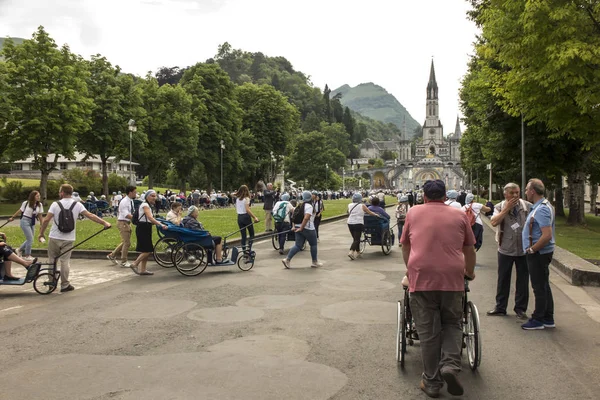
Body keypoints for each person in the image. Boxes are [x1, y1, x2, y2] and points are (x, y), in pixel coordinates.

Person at [400, 179, 476, 398]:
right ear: (445, 197)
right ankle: (450, 366)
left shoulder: (413, 213)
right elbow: (469, 249)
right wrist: (469, 272)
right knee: (452, 323)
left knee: (428, 332)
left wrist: (410, 269)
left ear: (424, 196)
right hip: (451, 278)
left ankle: (432, 382)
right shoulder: (460, 214)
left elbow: (406, 245)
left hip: (421, 277)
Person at [38, 184, 111, 293]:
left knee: (52, 260)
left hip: (54, 237)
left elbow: (46, 220)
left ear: (62, 192)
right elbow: (90, 215)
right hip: (69, 238)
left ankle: (51, 284)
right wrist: (104, 222)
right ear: (71, 193)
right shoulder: (77, 205)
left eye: (59, 192)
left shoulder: (55, 204)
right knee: (65, 261)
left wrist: (41, 233)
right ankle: (65, 284)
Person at [487, 183, 531, 320]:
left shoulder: (527, 206)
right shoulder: (499, 206)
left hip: (523, 250)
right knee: (503, 279)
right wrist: (506, 209)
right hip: (505, 248)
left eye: (517, 192)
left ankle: (520, 309)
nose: (515, 196)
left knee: (523, 280)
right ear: (505, 194)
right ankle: (500, 307)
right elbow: (493, 222)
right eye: (512, 193)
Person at [521, 178, 556, 330]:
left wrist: (532, 249)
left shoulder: (541, 209)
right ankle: (548, 317)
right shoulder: (543, 206)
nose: (526, 192)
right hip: (541, 252)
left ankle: (538, 319)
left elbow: (546, 235)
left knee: (538, 286)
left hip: (539, 253)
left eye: (527, 189)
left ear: (533, 191)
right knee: (544, 285)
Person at [129, 190, 168, 276]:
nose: (154, 198)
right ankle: (135, 264)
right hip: (143, 227)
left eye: (155, 196)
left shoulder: (147, 205)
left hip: (145, 227)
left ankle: (143, 269)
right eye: (152, 196)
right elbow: (150, 218)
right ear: (147, 197)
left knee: (145, 249)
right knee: (148, 249)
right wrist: (161, 224)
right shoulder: (145, 205)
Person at [281, 190, 323, 269]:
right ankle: (314, 262)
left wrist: (295, 226)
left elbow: (293, 217)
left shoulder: (299, 205)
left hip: (297, 226)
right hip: (308, 228)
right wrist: (301, 227)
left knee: (298, 245)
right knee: (313, 244)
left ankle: (287, 259)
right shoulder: (309, 206)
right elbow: (306, 218)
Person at [8, 190, 44, 261]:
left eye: (39, 196)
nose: (38, 197)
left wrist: (42, 225)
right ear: (33, 196)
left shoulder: (39, 205)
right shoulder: (26, 203)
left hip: (32, 222)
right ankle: (27, 255)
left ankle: (19, 249)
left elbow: (40, 215)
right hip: (25, 220)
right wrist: (13, 217)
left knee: (31, 239)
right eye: (37, 196)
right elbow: (20, 210)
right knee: (30, 238)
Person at [107, 185, 137, 268]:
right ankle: (124, 261)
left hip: (126, 223)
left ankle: (112, 255)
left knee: (125, 242)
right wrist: (136, 219)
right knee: (127, 243)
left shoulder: (129, 201)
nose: (136, 194)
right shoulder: (125, 202)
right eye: (135, 192)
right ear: (130, 192)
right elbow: (125, 214)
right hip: (123, 223)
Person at [347, 193, 380, 260]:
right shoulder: (362, 206)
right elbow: (369, 212)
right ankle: (351, 251)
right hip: (358, 223)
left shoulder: (349, 205)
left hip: (350, 223)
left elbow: (348, 212)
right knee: (357, 239)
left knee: (355, 238)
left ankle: (358, 252)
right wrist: (376, 215)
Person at [235, 185, 259, 252]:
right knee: (251, 233)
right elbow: (247, 210)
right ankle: (249, 248)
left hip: (239, 217)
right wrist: (255, 217)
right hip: (246, 217)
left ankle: (244, 250)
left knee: (243, 235)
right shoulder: (246, 199)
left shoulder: (237, 199)